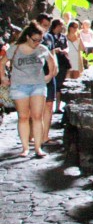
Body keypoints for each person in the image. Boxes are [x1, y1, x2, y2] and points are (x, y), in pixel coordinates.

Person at [0, 23, 57, 157]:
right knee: (24, 117)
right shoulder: (15, 49)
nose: (37, 43)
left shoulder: (42, 49)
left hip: (38, 85)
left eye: (40, 40)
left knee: (37, 116)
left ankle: (38, 148)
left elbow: (52, 61)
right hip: (19, 86)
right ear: (27, 37)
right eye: (35, 40)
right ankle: (25, 148)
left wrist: (50, 75)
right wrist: (2, 77)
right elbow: (2, 62)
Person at [44, 19, 70, 126]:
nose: (62, 27)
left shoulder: (63, 36)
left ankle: (58, 107)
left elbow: (67, 46)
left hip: (62, 61)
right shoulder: (48, 36)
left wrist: (65, 51)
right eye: (60, 25)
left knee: (59, 84)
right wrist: (55, 50)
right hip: (52, 61)